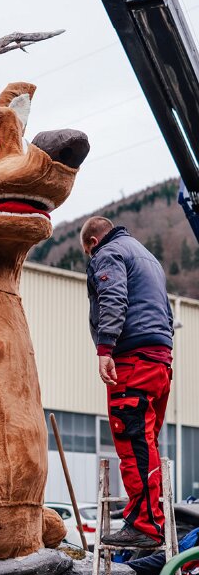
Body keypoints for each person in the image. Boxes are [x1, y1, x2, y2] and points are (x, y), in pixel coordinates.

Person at [80, 217, 174, 548]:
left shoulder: (108, 253)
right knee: (146, 443)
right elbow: (166, 314)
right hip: (159, 361)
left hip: (133, 362)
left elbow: (113, 296)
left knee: (133, 442)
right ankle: (147, 514)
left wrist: (105, 348)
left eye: (89, 252)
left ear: (93, 243)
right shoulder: (147, 257)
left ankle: (145, 524)